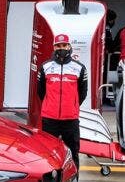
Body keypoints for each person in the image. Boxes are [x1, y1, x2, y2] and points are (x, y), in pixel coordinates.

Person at [37, 34, 88, 168]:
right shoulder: (45, 67)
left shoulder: (79, 68)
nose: (62, 48)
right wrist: (50, 104)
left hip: (70, 120)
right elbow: (40, 91)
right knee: (48, 153)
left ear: (69, 46)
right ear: (54, 47)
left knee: (73, 153)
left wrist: (71, 106)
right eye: (58, 46)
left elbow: (83, 93)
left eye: (64, 45)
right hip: (49, 119)